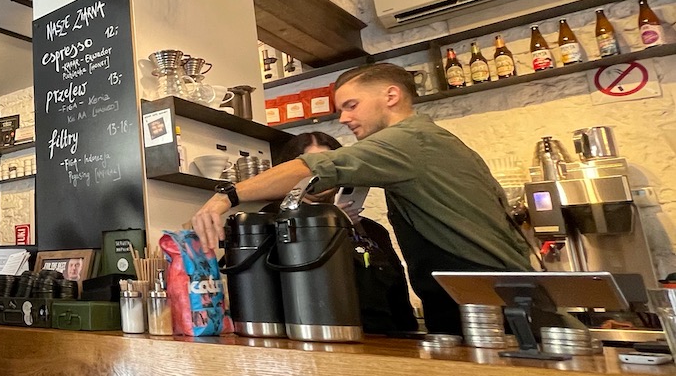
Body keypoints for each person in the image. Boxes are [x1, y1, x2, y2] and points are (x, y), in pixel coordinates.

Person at [193, 63, 532, 334]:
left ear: (391, 95)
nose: (343, 118)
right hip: (488, 300)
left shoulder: (410, 140)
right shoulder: (433, 141)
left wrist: (228, 196)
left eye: (351, 105)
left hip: (489, 308)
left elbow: (316, 167)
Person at [272, 132, 417, 335]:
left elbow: (398, 299)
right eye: (310, 169)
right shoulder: (273, 227)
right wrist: (330, 225)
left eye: (327, 166)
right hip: (311, 341)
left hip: (386, 344)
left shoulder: (373, 231)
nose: (319, 177)